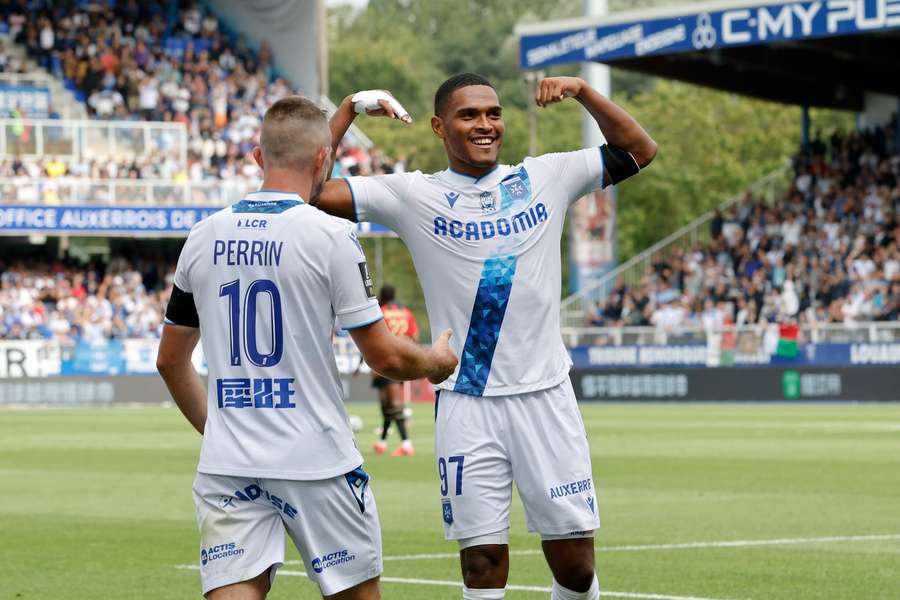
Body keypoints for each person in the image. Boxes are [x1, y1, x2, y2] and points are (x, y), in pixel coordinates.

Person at [316, 74, 656, 600]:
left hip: (545, 394)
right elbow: (309, 191)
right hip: (467, 400)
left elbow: (639, 150)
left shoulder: (548, 175)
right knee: (481, 564)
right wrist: (351, 109)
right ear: (438, 126)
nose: (485, 124)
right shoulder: (412, 194)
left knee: (576, 568)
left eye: (493, 114)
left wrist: (584, 92)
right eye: (469, 115)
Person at [156, 96, 458, 600]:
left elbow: (170, 361)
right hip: (316, 462)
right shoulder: (332, 236)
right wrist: (436, 361)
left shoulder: (201, 237)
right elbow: (384, 357)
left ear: (258, 157)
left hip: (229, 464)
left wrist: (226, 431)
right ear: (323, 159)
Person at [371, 284, 420, 457]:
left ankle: (406, 445)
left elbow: (373, 338)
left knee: (394, 405)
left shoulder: (381, 311)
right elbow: (414, 337)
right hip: (402, 360)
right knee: (388, 405)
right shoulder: (406, 312)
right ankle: (382, 442)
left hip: (386, 360)